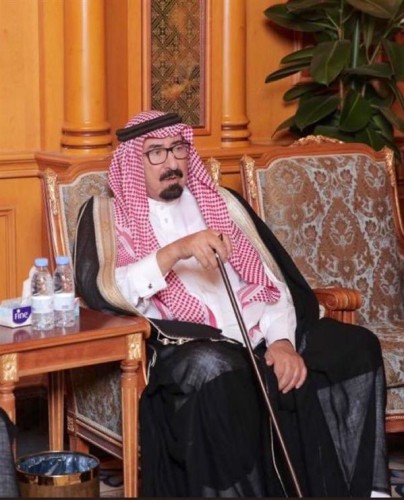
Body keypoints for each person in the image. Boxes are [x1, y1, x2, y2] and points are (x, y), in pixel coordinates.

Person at [75, 110, 390, 497]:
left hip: (256, 335)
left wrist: (282, 342)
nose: (171, 162)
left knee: (356, 346)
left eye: (177, 148)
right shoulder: (110, 217)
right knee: (218, 368)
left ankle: (362, 491)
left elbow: (270, 283)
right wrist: (175, 251)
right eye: (155, 152)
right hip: (182, 346)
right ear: (133, 162)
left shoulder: (221, 204)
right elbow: (108, 291)